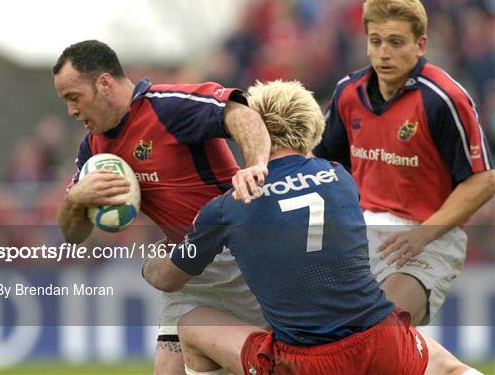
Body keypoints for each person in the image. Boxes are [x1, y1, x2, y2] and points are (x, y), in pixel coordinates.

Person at [143, 80, 479, 375]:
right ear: (311, 127)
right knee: (446, 365)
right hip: (381, 341)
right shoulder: (340, 177)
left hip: (301, 362)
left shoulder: (228, 206)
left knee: (191, 324)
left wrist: (152, 260)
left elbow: (167, 278)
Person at [52, 40, 271, 374]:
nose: (71, 111)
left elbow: (242, 114)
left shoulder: (168, 107)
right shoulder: (93, 149)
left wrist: (254, 166)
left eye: (73, 97)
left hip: (243, 260)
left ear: (104, 83)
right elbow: (73, 235)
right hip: (185, 270)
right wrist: (75, 200)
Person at [313, 0, 495, 325]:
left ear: (420, 45)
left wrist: (423, 234)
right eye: (376, 41)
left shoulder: (443, 98)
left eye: (396, 42)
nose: (384, 53)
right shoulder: (348, 94)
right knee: (313, 332)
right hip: (363, 235)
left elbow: (484, 179)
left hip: (429, 237)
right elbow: (321, 166)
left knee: (384, 326)